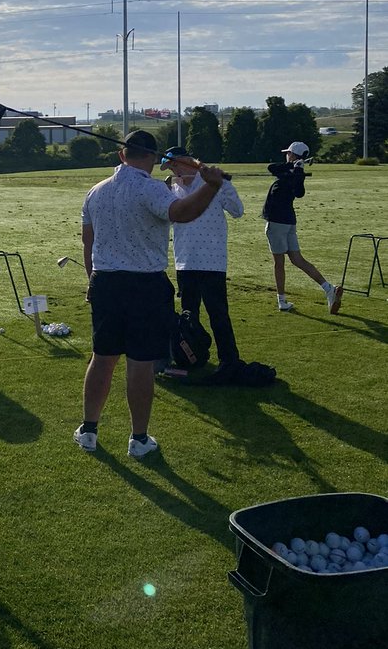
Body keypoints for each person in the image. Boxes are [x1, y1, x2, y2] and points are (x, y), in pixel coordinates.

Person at [75, 130, 226, 458]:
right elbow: (183, 213)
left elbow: (89, 243)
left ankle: (89, 430)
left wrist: (91, 281)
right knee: (141, 364)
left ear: (121, 155)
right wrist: (212, 185)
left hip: (104, 284)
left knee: (102, 359)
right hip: (144, 286)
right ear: (155, 159)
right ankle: (139, 439)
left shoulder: (94, 192)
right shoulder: (151, 189)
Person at [161, 145, 244, 379]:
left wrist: (221, 184)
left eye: (174, 164)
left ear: (187, 162)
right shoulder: (171, 188)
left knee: (218, 314)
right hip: (184, 261)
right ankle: (192, 357)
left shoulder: (215, 183)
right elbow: (164, 221)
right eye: (170, 167)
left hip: (212, 261)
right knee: (189, 316)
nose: (173, 170)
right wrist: (165, 192)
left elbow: (238, 210)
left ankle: (229, 360)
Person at [263, 141, 342, 314]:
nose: (286, 155)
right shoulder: (290, 170)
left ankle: (282, 301)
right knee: (297, 259)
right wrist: (294, 166)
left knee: (278, 263)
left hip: (277, 222)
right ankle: (329, 289)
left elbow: (299, 193)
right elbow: (272, 168)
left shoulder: (296, 173)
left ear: (292, 154)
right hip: (289, 221)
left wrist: (297, 169)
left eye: (288, 153)